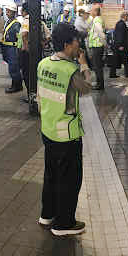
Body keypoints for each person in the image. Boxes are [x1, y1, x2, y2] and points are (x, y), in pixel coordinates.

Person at [37, 23, 92, 236]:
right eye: (77, 41)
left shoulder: (43, 63)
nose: (79, 44)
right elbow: (87, 88)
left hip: (48, 129)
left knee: (51, 174)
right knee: (69, 180)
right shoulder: (70, 70)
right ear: (69, 44)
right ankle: (63, 224)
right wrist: (84, 64)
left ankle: (47, 215)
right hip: (67, 134)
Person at [2, 4, 23, 94]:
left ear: (14, 12)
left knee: (13, 67)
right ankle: (15, 84)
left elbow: (19, 37)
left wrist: (19, 49)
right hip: (7, 47)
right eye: (6, 11)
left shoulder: (16, 24)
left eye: (9, 11)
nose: (7, 13)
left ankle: (17, 85)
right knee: (12, 67)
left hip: (13, 48)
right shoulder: (8, 22)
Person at [88, 5, 106, 90]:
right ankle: (99, 83)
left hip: (97, 47)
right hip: (97, 47)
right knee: (97, 66)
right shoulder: (97, 20)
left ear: (95, 11)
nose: (90, 12)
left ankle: (100, 85)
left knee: (97, 67)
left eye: (91, 10)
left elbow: (101, 34)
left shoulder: (97, 20)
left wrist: (104, 45)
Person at [110, 11, 128, 78]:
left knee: (116, 60)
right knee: (125, 60)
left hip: (118, 45)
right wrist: (120, 45)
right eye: (127, 16)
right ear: (125, 16)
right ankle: (127, 73)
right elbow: (120, 35)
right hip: (120, 45)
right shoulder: (122, 24)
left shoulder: (119, 23)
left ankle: (113, 74)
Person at [19, 2, 30, 101]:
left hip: (27, 52)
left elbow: (24, 34)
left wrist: (26, 47)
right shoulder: (37, 19)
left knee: (26, 74)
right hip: (35, 51)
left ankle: (30, 95)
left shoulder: (26, 20)